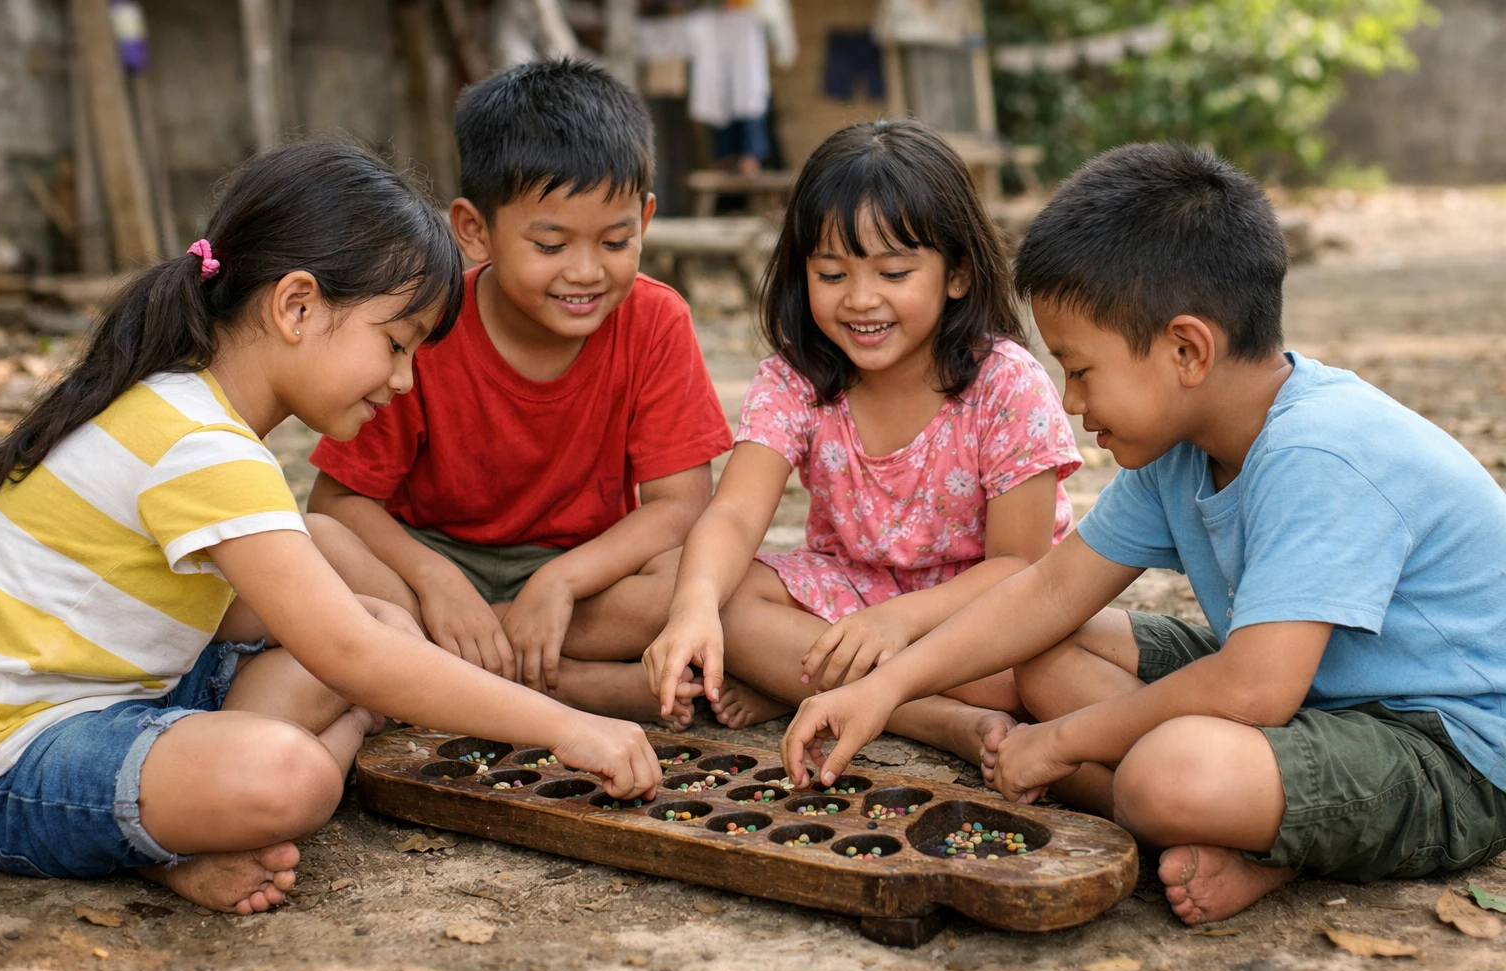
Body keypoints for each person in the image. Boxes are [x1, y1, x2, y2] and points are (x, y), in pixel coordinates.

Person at [780, 141, 1506, 925]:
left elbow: (1253, 689)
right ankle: (1239, 830)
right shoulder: (1181, 445)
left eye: (1082, 370)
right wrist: (882, 689)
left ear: (1185, 349)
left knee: (1171, 773)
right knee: (1049, 654)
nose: (1069, 398)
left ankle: (1258, 837)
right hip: (1314, 698)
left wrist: (1059, 745)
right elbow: (1051, 590)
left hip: (1447, 748)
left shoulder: (1320, 452)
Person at [0, 141, 660, 916]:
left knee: (363, 608)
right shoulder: (200, 444)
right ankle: (185, 840)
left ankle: (199, 816)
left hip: (130, 689)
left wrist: (379, 647)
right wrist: (568, 728)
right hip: (12, 759)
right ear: (297, 306)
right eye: (395, 345)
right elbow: (351, 653)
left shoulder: (185, 405)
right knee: (294, 772)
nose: (402, 380)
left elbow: (336, 630)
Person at [309, 59, 731, 730]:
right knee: (317, 542)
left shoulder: (656, 321)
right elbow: (339, 502)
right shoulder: (427, 325)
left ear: (646, 217)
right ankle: (572, 685)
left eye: (617, 240)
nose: (587, 272)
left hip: (584, 581)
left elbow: (682, 506)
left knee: (701, 574)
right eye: (552, 243)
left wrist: (561, 582)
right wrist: (435, 582)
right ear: (475, 230)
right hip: (433, 566)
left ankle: (459, 674)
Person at [644, 119, 1081, 766]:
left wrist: (898, 624)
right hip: (849, 595)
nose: (861, 299)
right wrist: (695, 607)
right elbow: (733, 514)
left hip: (975, 613)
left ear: (957, 273)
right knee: (712, 593)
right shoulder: (795, 380)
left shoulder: (1006, 386)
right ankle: (928, 719)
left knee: (1036, 672)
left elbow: (1018, 568)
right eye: (832, 274)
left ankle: (803, 681)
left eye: (894, 271)